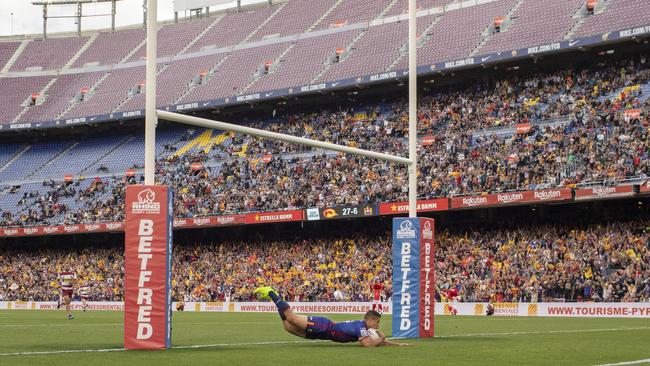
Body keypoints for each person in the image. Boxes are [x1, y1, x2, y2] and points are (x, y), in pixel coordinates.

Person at [253, 286, 409, 347]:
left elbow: (377, 341)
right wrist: (381, 338)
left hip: (323, 334)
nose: (378, 326)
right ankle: (271, 292)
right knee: (291, 318)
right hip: (324, 326)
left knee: (287, 326)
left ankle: (272, 298)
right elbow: (368, 345)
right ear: (371, 320)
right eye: (378, 322)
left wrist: (398, 345)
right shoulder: (362, 327)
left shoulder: (365, 329)